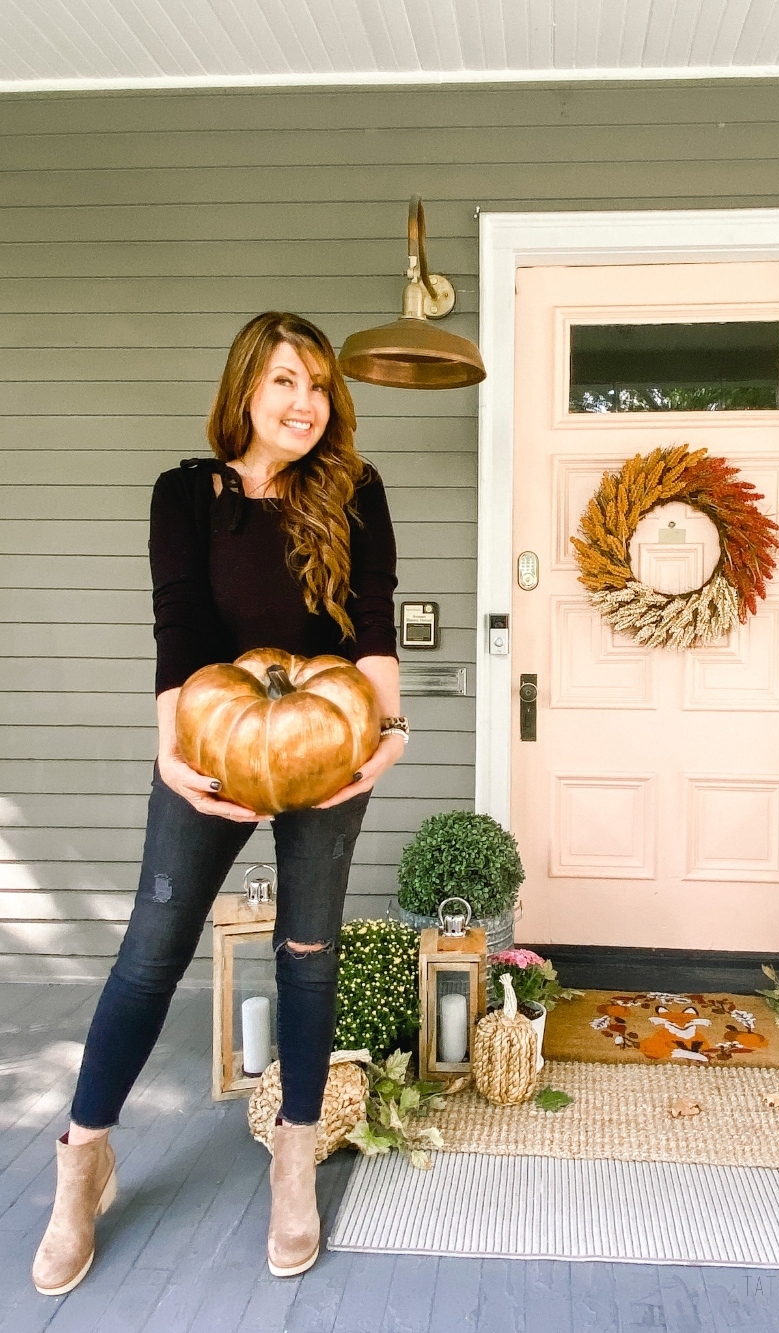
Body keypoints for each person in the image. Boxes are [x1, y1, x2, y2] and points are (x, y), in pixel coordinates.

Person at [31, 312, 407, 1294]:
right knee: (152, 950)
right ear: (245, 387)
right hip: (214, 734)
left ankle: (294, 1152)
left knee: (308, 953)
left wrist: (389, 732)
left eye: (319, 386)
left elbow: (374, 625)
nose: (304, 404)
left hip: (328, 737)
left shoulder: (354, 491)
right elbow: (179, 625)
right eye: (285, 381)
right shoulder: (187, 494)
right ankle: (84, 1158)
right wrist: (174, 752)